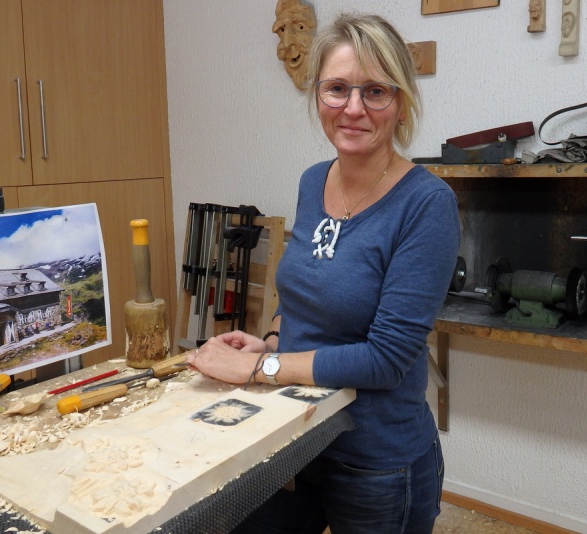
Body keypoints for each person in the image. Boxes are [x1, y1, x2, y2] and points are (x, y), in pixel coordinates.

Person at [188, 12, 460, 533]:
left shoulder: (427, 204)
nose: (353, 108)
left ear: (401, 103)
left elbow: (386, 360)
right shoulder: (314, 181)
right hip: (296, 433)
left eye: (375, 91)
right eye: (337, 88)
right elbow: (302, 292)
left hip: (376, 459)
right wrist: (272, 340)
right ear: (318, 96)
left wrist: (257, 369)